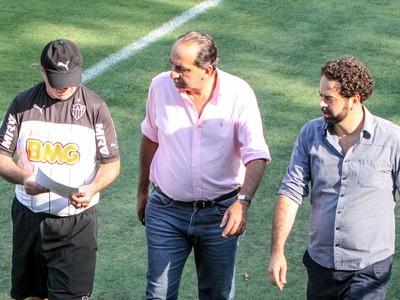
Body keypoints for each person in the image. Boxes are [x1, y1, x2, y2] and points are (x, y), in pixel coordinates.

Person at [136, 30, 270, 299]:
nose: (172, 73)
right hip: (166, 211)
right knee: (158, 295)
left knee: (217, 295)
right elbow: (151, 139)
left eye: (181, 68)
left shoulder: (238, 94)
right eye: (172, 64)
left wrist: (242, 202)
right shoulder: (160, 87)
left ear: (206, 71)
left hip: (219, 215)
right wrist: (142, 192)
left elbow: (256, 155)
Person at [267, 55, 400, 299]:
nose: (321, 103)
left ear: (354, 100)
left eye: (329, 98)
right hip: (320, 264)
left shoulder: (392, 140)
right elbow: (291, 191)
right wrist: (277, 252)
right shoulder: (310, 133)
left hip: (368, 267)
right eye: (321, 95)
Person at [0, 39, 120, 300]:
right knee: (32, 295)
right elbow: (1, 156)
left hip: (76, 224)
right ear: (42, 71)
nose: (64, 86)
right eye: (57, 79)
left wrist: (93, 188)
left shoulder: (95, 108)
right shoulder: (22, 105)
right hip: (29, 218)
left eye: (70, 78)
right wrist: (24, 178)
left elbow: (111, 163)